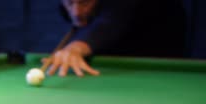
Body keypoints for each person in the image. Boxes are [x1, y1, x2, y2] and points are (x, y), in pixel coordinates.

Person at [45, 0, 186, 77]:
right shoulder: (67, 9)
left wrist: (75, 48)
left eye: (85, 2)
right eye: (70, 2)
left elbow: (108, 23)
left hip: (159, 51)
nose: (76, 12)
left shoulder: (120, 5)